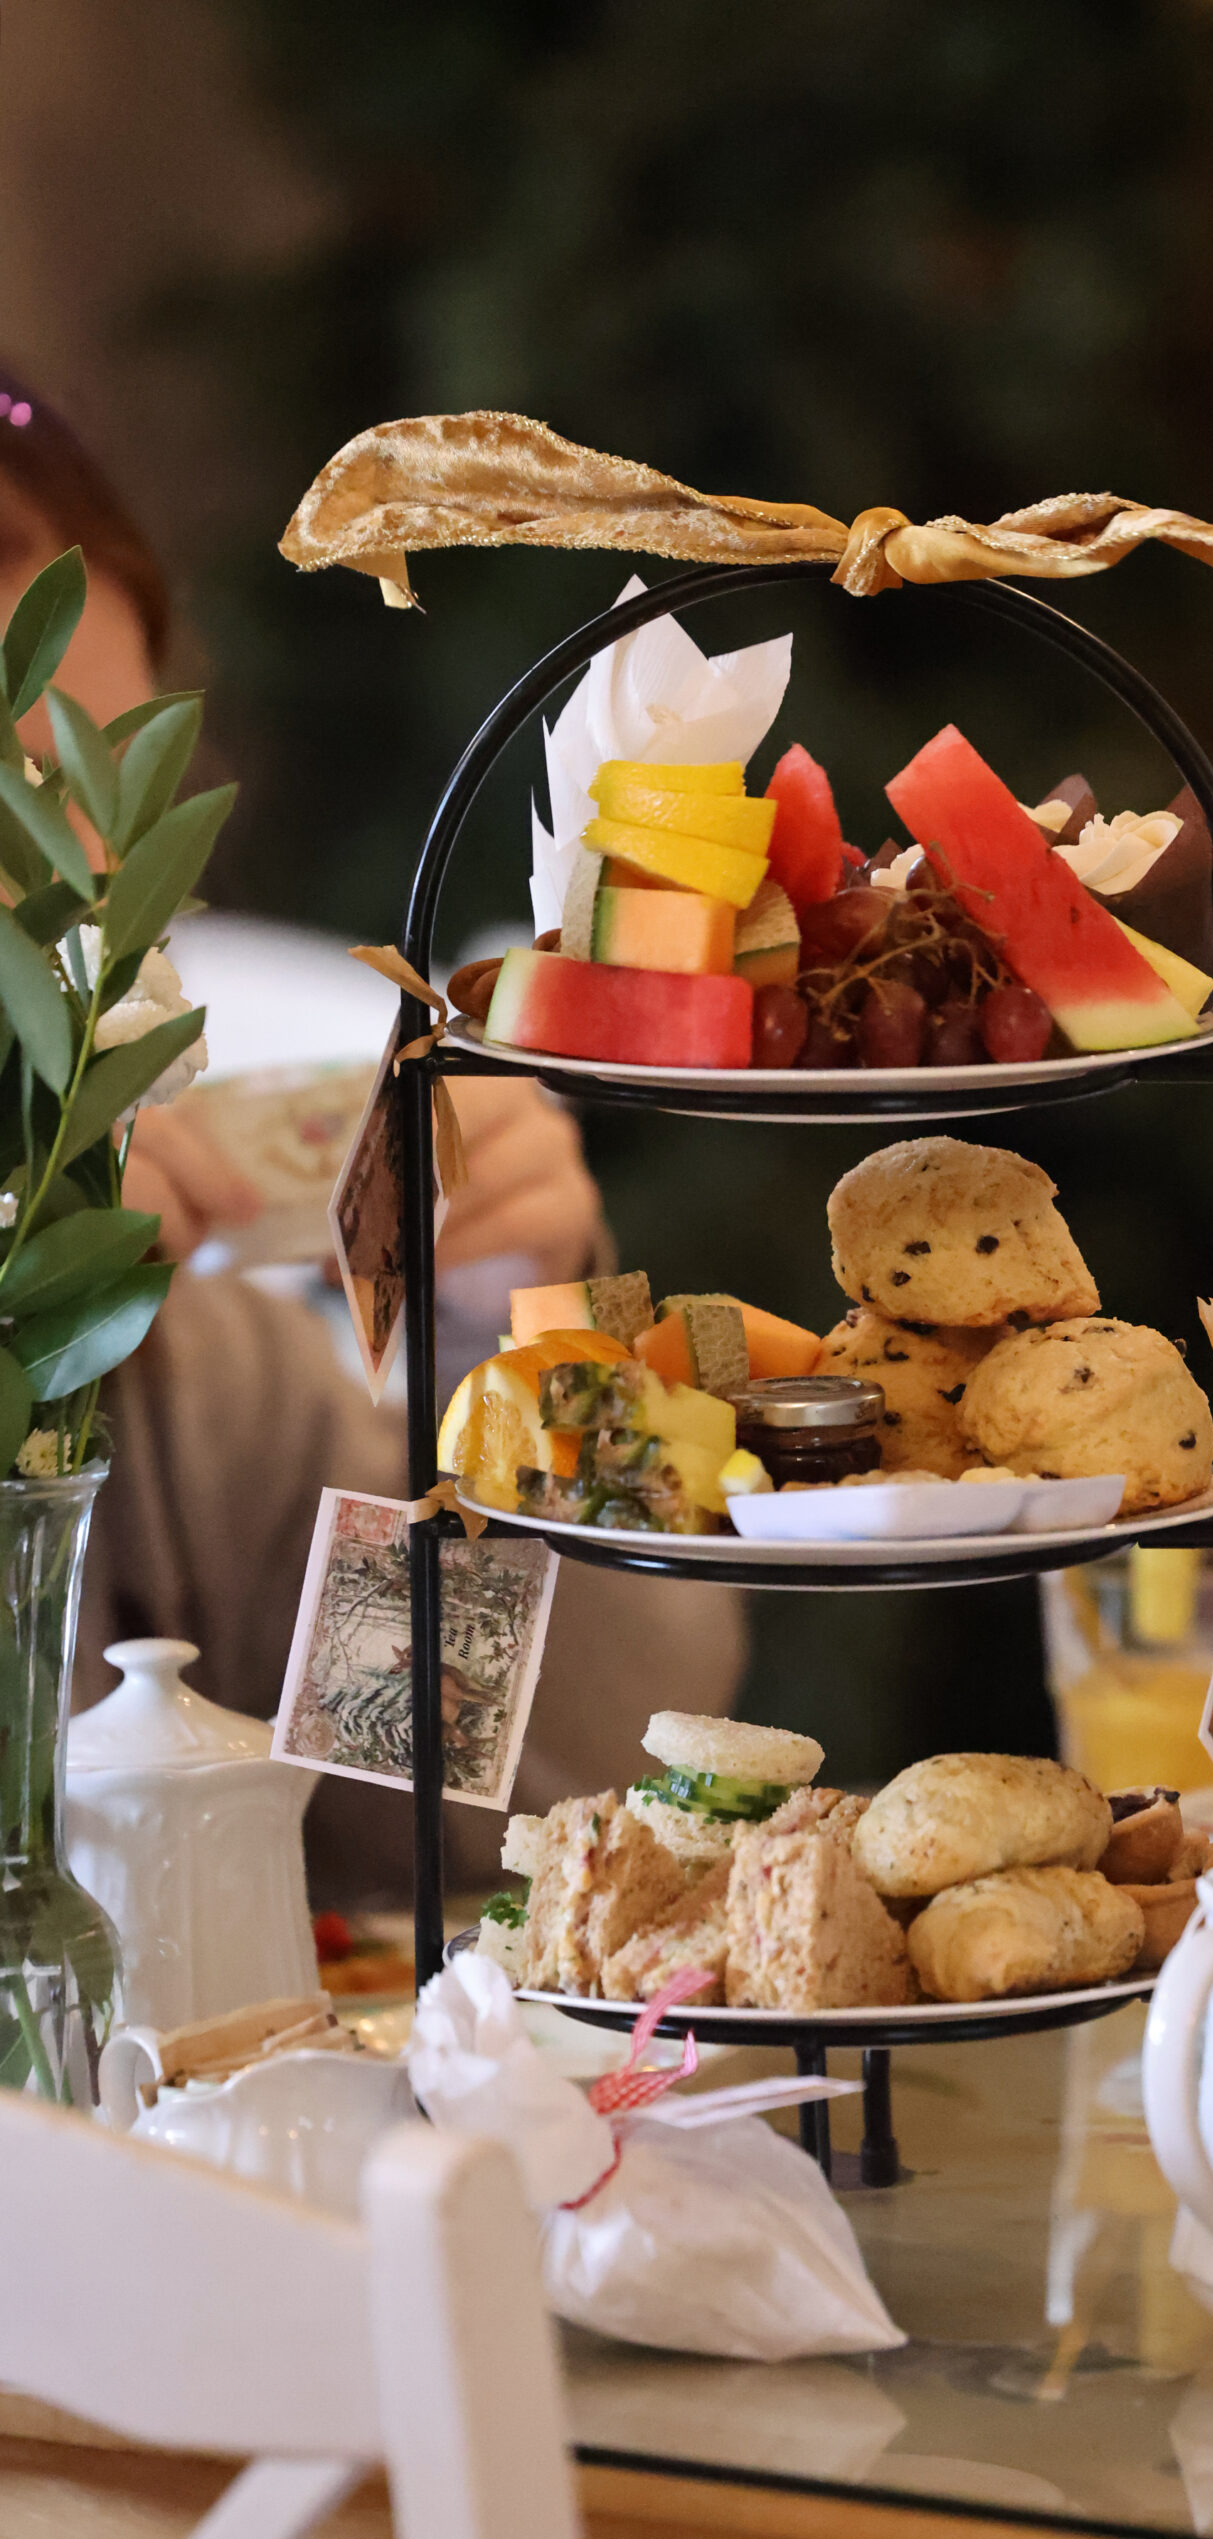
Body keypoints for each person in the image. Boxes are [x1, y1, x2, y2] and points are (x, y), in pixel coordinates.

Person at [0, 367, 746, 1900]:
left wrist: (533, 1347)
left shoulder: (182, 1399)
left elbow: (561, 1777)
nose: (69, 915)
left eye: (104, 810)